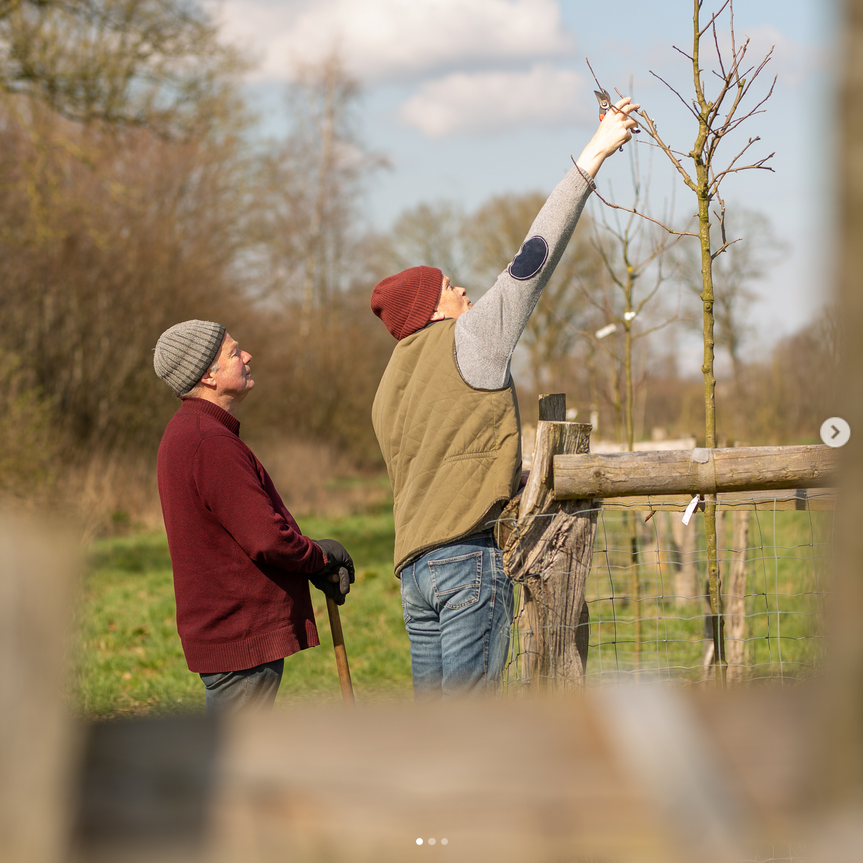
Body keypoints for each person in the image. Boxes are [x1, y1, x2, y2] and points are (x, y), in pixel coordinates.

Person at [370, 97, 640, 700]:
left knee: (435, 731)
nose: (463, 288)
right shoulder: (472, 337)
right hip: (467, 562)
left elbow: (446, 456)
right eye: (449, 285)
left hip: (414, 572)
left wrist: (506, 471)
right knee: (474, 731)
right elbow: (535, 255)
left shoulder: (387, 387)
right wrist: (595, 152)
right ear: (430, 308)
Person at [153, 320, 355, 715]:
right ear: (208, 376)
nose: (247, 356)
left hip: (230, 632)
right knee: (235, 749)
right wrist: (320, 558)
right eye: (234, 352)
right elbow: (266, 538)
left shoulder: (191, 432)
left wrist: (310, 563)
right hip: (239, 634)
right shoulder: (209, 441)